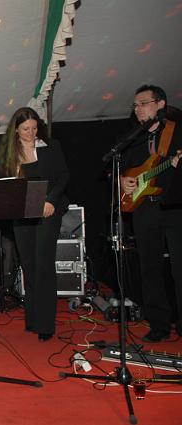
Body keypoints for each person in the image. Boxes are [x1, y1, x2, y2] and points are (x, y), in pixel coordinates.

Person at [0, 107, 69, 341]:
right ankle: (33, 319)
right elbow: (4, 182)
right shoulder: (9, 152)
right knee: (29, 265)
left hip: (47, 210)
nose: (31, 133)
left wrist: (51, 200)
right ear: (16, 130)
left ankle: (45, 324)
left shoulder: (51, 146)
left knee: (43, 264)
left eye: (34, 128)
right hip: (22, 212)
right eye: (26, 129)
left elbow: (63, 176)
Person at [120, 85, 182, 343]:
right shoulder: (134, 137)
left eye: (144, 103)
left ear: (161, 104)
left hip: (175, 207)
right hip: (144, 208)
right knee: (149, 268)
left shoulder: (177, 131)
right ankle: (159, 324)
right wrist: (123, 181)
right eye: (135, 105)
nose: (138, 109)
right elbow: (120, 170)